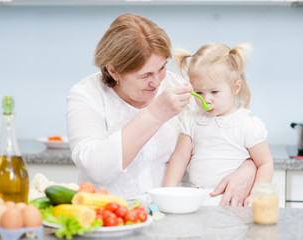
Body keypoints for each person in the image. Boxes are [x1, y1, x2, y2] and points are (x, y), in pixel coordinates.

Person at [66, 13, 257, 206]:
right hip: (113, 216)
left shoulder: (177, 86)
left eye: (162, 68)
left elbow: (227, 135)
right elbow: (96, 168)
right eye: (145, 75)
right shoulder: (86, 95)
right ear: (113, 70)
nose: (157, 82)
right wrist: (155, 114)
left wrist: (249, 168)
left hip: (175, 214)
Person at [163, 43, 274, 206]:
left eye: (214, 92)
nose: (206, 99)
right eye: (199, 92)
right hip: (198, 201)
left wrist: (257, 195)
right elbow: (180, 157)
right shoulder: (191, 120)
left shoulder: (247, 125)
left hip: (234, 202)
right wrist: (166, 193)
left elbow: (265, 163)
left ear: (236, 87)